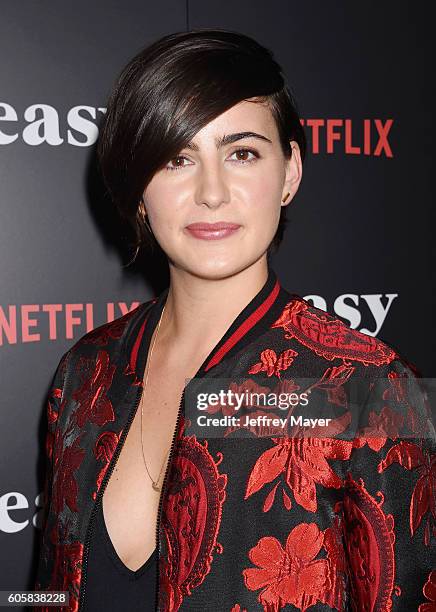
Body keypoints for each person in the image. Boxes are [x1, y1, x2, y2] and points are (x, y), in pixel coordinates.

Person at [34, 28, 435, 612]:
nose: (212, 192)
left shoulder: (373, 389)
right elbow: (43, 594)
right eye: (176, 159)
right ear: (138, 191)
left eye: (241, 152)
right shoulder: (83, 373)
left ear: (290, 172)